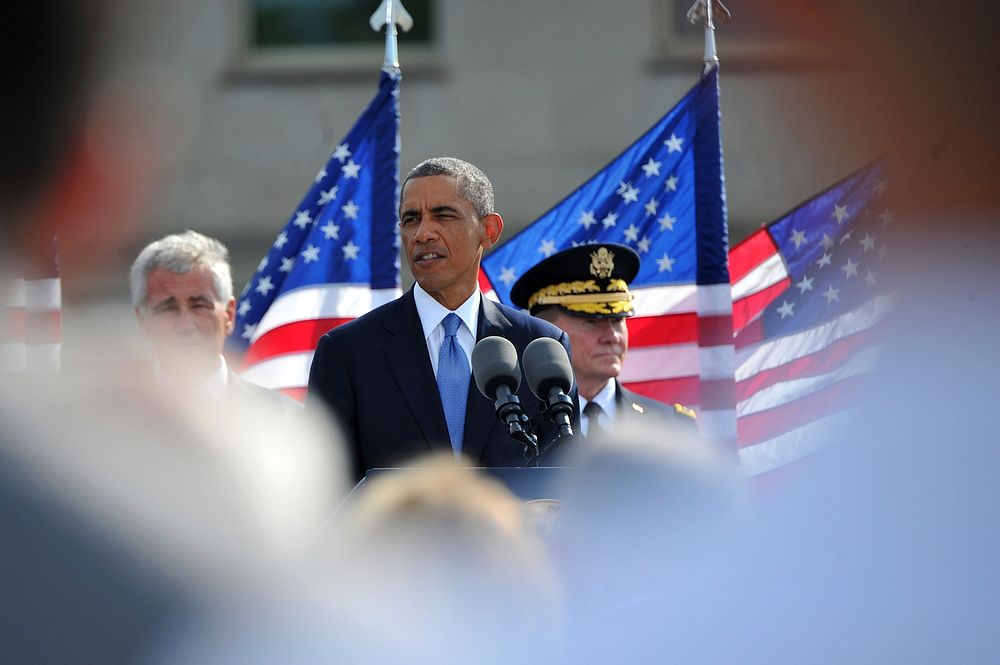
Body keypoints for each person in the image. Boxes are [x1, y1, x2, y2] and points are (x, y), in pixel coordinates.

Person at [307, 157, 574, 480]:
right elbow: (325, 491)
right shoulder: (348, 352)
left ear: (489, 231)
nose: (423, 233)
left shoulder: (539, 348)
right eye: (411, 219)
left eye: (443, 216)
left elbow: (561, 482)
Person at [510, 242, 696, 438]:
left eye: (617, 320)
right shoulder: (512, 427)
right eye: (591, 322)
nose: (612, 336)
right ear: (545, 329)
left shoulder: (674, 428)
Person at [130, 230, 299, 411]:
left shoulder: (284, 418)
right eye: (167, 309)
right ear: (143, 321)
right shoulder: (104, 422)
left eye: (200, 306)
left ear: (229, 314)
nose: (185, 326)